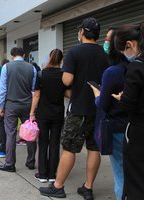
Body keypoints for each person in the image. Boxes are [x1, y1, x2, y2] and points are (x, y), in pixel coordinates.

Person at [39, 17, 109, 199]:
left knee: (69, 148)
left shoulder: (74, 52)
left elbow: (67, 80)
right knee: (94, 148)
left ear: (83, 32)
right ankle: (88, 187)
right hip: (98, 109)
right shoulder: (104, 54)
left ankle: (58, 186)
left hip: (79, 109)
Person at [112, 21, 144, 200]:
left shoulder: (136, 67)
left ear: (130, 44)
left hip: (140, 135)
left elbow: (127, 105)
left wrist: (122, 97)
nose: (124, 55)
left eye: (123, 51)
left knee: (138, 183)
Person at [90, 28, 128, 200]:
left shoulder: (112, 72)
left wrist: (97, 95)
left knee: (120, 173)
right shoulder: (136, 67)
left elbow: (103, 104)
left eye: (107, 39)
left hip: (118, 129)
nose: (104, 42)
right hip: (136, 127)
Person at [30, 49, 70, 183]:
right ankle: (52, 175)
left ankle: (42, 174)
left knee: (43, 143)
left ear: (50, 57)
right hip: (58, 114)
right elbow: (68, 94)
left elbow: (36, 95)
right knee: (54, 143)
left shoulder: (41, 74)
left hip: (42, 114)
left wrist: (31, 113)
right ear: (61, 60)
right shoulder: (64, 75)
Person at [0, 47, 37, 172]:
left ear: (11, 56)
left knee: (10, 134)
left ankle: (10, 164)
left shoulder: (6, 67)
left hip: (11, 105)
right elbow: (33, 89)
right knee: (30, 133)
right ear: (24, 55)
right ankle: (31, 162)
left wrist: (1, 106)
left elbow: (3, 89)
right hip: (27, 105)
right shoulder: (32, 68)